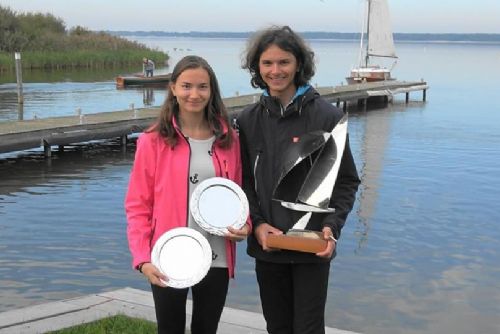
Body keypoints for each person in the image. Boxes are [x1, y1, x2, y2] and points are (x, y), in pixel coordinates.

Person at [237, 25, 360, 334]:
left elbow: (346, 181)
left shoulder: (328, 117)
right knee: (277, 327)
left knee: (308, 328)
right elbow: (242, 183)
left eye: (284, 62)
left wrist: (332, 229)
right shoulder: (248, 121)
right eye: (267, 63)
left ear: (299, 64)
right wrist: (258, 223)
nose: (275, 70)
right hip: (268, 246)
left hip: (312, 249)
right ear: (257, 67)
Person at [126, 55, 251, 334]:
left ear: (211, 90)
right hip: (169, 254)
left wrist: (245, 226)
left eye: (202, 87)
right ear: (172, 88)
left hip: (217, 254)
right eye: (186, 86)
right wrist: (143, 259)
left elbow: (239, 195)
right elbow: (138, 206)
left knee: (206, 329)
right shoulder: (152, 141)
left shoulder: (229, 139)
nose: (194, 94)